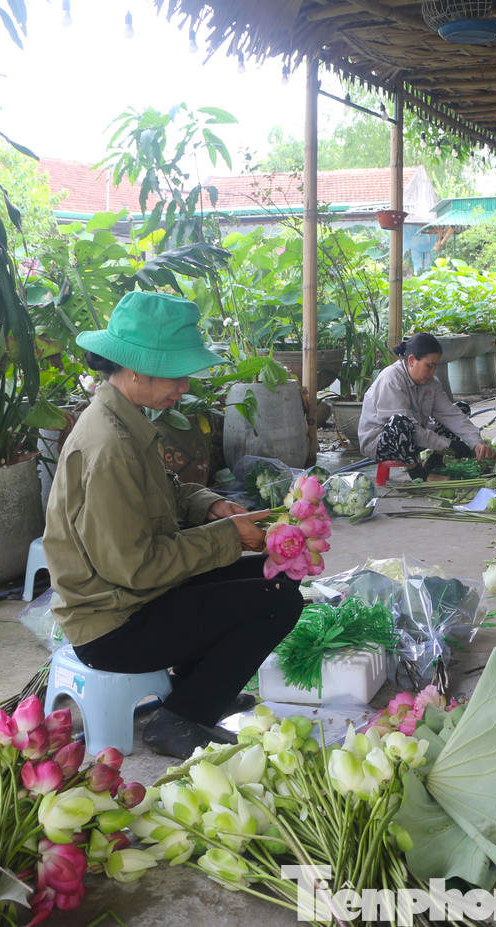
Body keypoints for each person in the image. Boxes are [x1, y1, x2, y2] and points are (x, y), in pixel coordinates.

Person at [43, 292, 305, 758]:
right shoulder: (109, 445)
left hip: (135, 599)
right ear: (137, 366)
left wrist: (211, 508)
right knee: (278, 599)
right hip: (113, 625)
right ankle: (182, 719)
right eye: (176, 373)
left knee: (269, 571)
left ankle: (195, 688)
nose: (184, 386)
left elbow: (165, 492)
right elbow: (137, 568)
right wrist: (228, 537)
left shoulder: (124, 420)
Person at [359, 332, 493, 480]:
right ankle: (418, 473)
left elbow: (451, 414)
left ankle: (434, 463)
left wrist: (476, 442)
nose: (432, 372)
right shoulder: (391, 379)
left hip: (414, 436)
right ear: (411, 360)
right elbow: (409, 427)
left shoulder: (432, 383)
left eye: (435, 366)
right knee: (400, 422)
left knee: (461, 408)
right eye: (429, 366)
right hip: (382, 443)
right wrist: (449, 444)